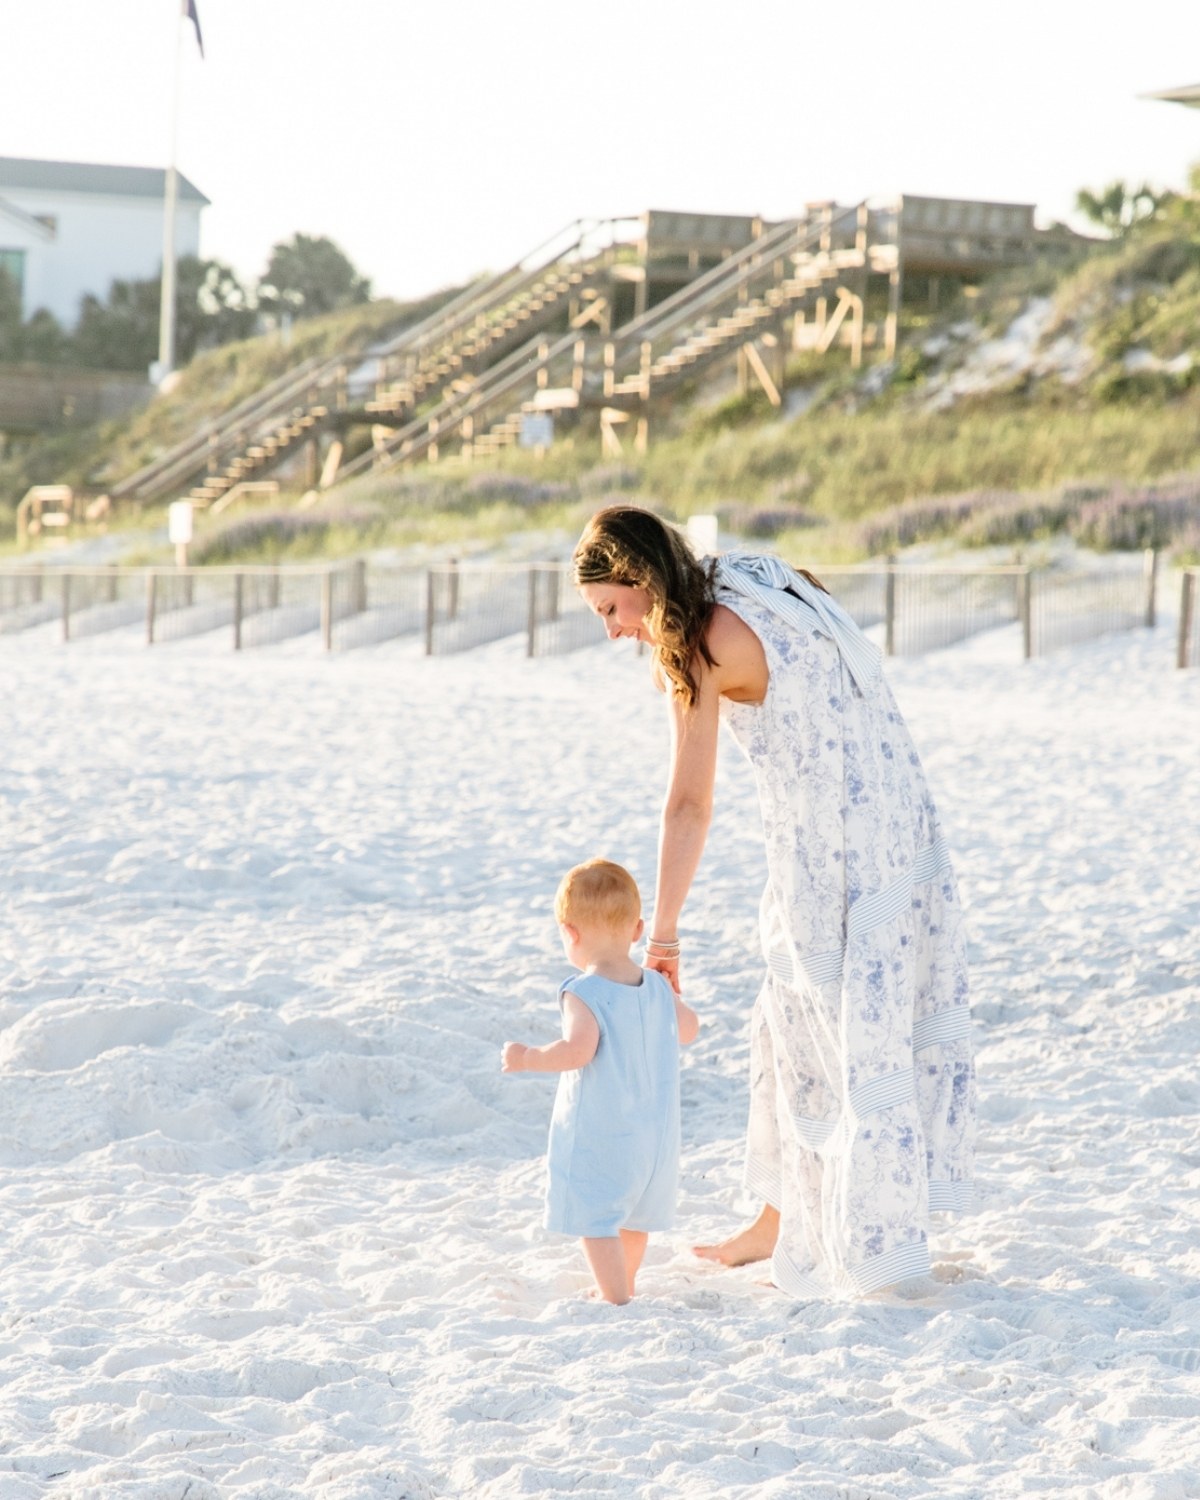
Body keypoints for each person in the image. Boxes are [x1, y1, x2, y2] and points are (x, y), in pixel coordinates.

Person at [571, 506, 975, 1299]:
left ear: (641, 580)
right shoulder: (750, 575)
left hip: (834, 844)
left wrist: (665, 938)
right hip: (895, 807)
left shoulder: (694, 642)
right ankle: (776, 1219)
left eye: (612, 610)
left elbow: (688, 803)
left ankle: (874, 1244)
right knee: (789, 1018)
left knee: (831, 1030)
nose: (614, 632)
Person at [501, 858, 700, 1305]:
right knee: (633, 1218)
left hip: (605, 1132)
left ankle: (616, 1297)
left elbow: (577, 1050)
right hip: (655, 1137)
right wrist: (668, 995)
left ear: (570, 933)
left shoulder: (583, 991)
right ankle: (622, 1283)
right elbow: (689, 1030)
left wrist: (528, 1057)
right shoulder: (656, 986)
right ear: (637, 930)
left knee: (596, 1217)